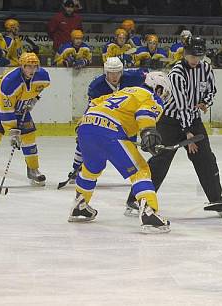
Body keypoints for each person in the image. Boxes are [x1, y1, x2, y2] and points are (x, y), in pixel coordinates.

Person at [126, 37, 222, 216]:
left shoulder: (206, 68)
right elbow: (181, 105)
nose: (196, 60)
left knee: (206, 159)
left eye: (199, 56)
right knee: (160, 160)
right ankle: (136, 198)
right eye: (193, 56)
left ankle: (216, 200)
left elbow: (212, 90)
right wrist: (188, 133)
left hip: (193, 120)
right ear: (185, 53)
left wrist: (205, 102)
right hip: (171, 121)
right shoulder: (177, 73)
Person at [68, 71, 173, 234]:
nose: (163, 96)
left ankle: (79, 206)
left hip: (86, 126)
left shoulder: (124, 91)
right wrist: (148, 132)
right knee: (141, 170)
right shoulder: (151, 96)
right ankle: (149, 213)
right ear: (159, 88)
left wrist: (86, 126)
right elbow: (145, 112)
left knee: (91, 169)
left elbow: (95, 103)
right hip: (110, 131)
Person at [64, 57, 147, 185]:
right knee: (84, 139)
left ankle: (136, 174)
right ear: (105, 72)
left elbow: (148, 75)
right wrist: (84, 121)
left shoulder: (133, 77)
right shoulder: (97, 86)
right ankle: (76, 168)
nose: (114, 76)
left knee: (130, 145)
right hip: (106, 119)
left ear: (122, 72)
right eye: (111, 73)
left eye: (117, 73)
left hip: (127, 119)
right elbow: (92, 106)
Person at [0, 53, 50, 187]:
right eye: (28, 66)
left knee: (29, 136)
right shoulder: (10, 83)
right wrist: (13, 132)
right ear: (21, 66)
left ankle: (33, 169)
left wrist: (34, 99)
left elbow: (38, 89)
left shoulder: (43, 76)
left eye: (34, 66)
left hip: (19, 100)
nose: (31, 70)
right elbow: (6, 111)